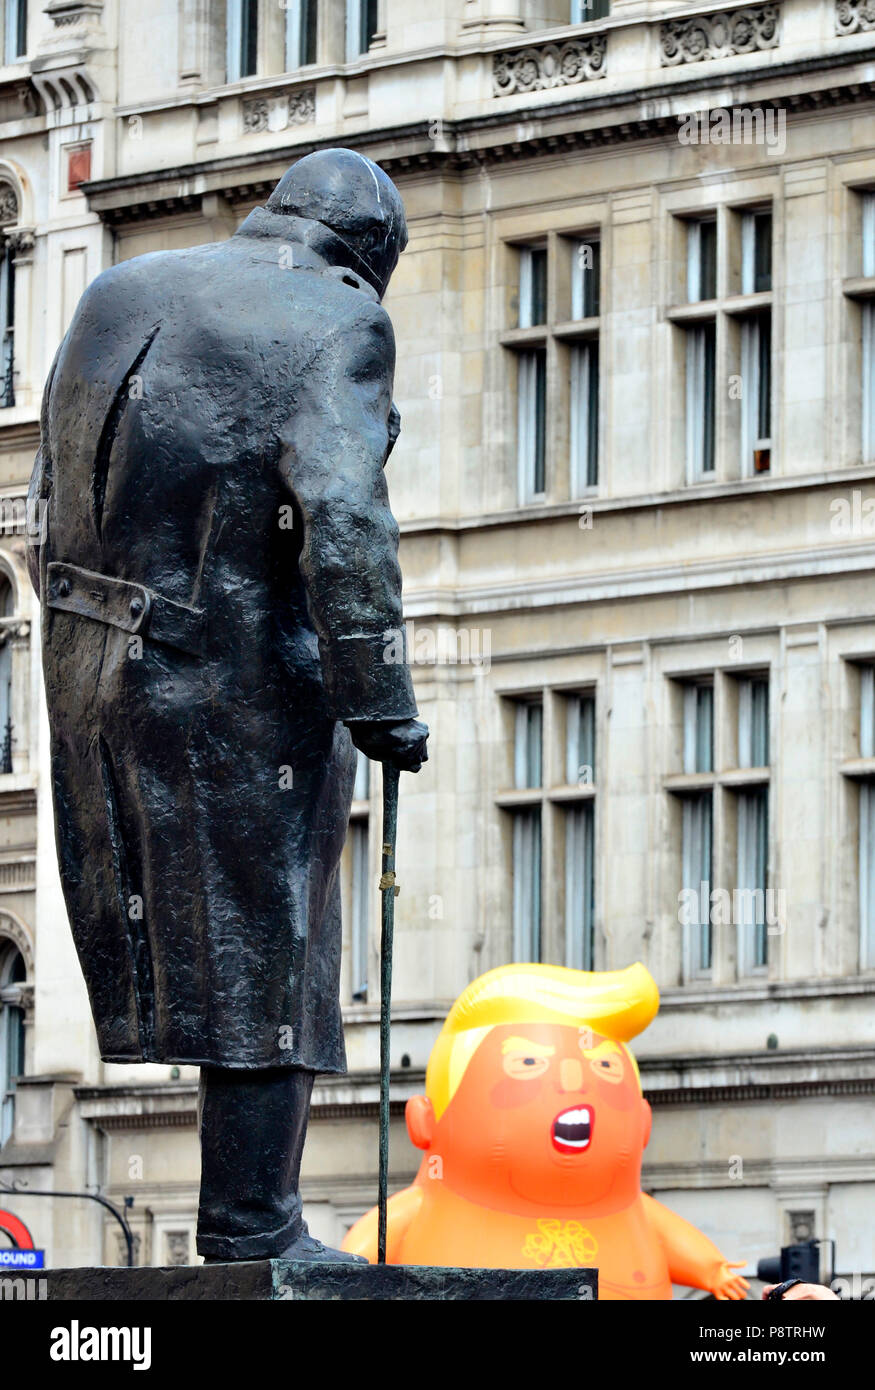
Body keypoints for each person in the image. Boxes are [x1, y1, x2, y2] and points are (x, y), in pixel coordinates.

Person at [28, 148, 427, 1264]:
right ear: (368, 258)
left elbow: (43, 490)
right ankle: (253, 1225)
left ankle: (241, 1224)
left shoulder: (118, 289)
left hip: (86, 664)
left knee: (193, 943)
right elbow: (346, 516)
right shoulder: (339, 320)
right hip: (234, 679)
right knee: (273, 939)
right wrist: (379, 696)